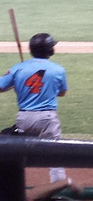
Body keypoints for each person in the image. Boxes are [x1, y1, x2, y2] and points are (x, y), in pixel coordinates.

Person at [0, 33, 68, 183]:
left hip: (24, 119)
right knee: (55, 156)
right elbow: (62, 93)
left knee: (17, 156)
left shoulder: (18, 68)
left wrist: (17, 81)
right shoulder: (58, 70)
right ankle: (58, 190)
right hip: (47, 119)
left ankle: (11, 189)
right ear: (50, 50)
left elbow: (1, 87)